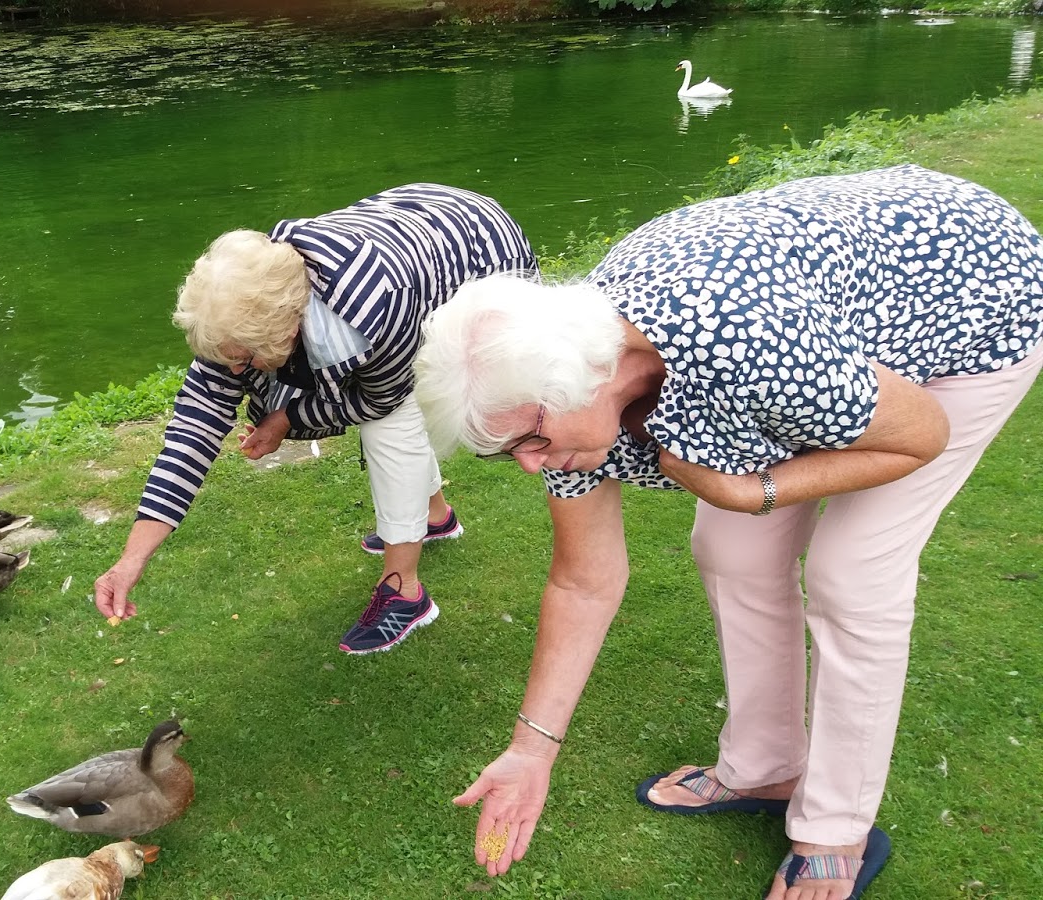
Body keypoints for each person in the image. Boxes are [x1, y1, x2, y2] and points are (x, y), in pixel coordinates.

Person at [413, 165, 1043, 898]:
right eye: (504, 451)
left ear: (578, 381)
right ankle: (766, 767)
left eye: (529, 438)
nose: (530, 465)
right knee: (728, 549)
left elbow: (918, 434)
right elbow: (583, 580)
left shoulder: (738, 341)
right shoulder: (563, 397)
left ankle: (835, 832)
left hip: (970, 308)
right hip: (832, 339)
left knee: (852, 571)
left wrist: (755, 489)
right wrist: (530, 750)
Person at [94, 183, 538, 653]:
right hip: (412, 229)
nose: (237, 372)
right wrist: (130, 559)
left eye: (244, 359)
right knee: (368, 405)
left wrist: (286, 417)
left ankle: (404, 592)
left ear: (286, 328)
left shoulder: (369, 310)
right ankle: (434, 517)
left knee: (392, 422)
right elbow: (192, 430)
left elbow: (378, 401)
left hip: (478, 255)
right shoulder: (243, 304)